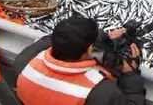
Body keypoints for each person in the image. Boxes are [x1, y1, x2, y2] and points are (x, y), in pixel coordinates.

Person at [13, 16, 145, 105]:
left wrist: (102, 39)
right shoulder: (100, 92)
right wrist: (130, 75)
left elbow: (50, 39)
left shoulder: (23, 62)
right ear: (89, 49)